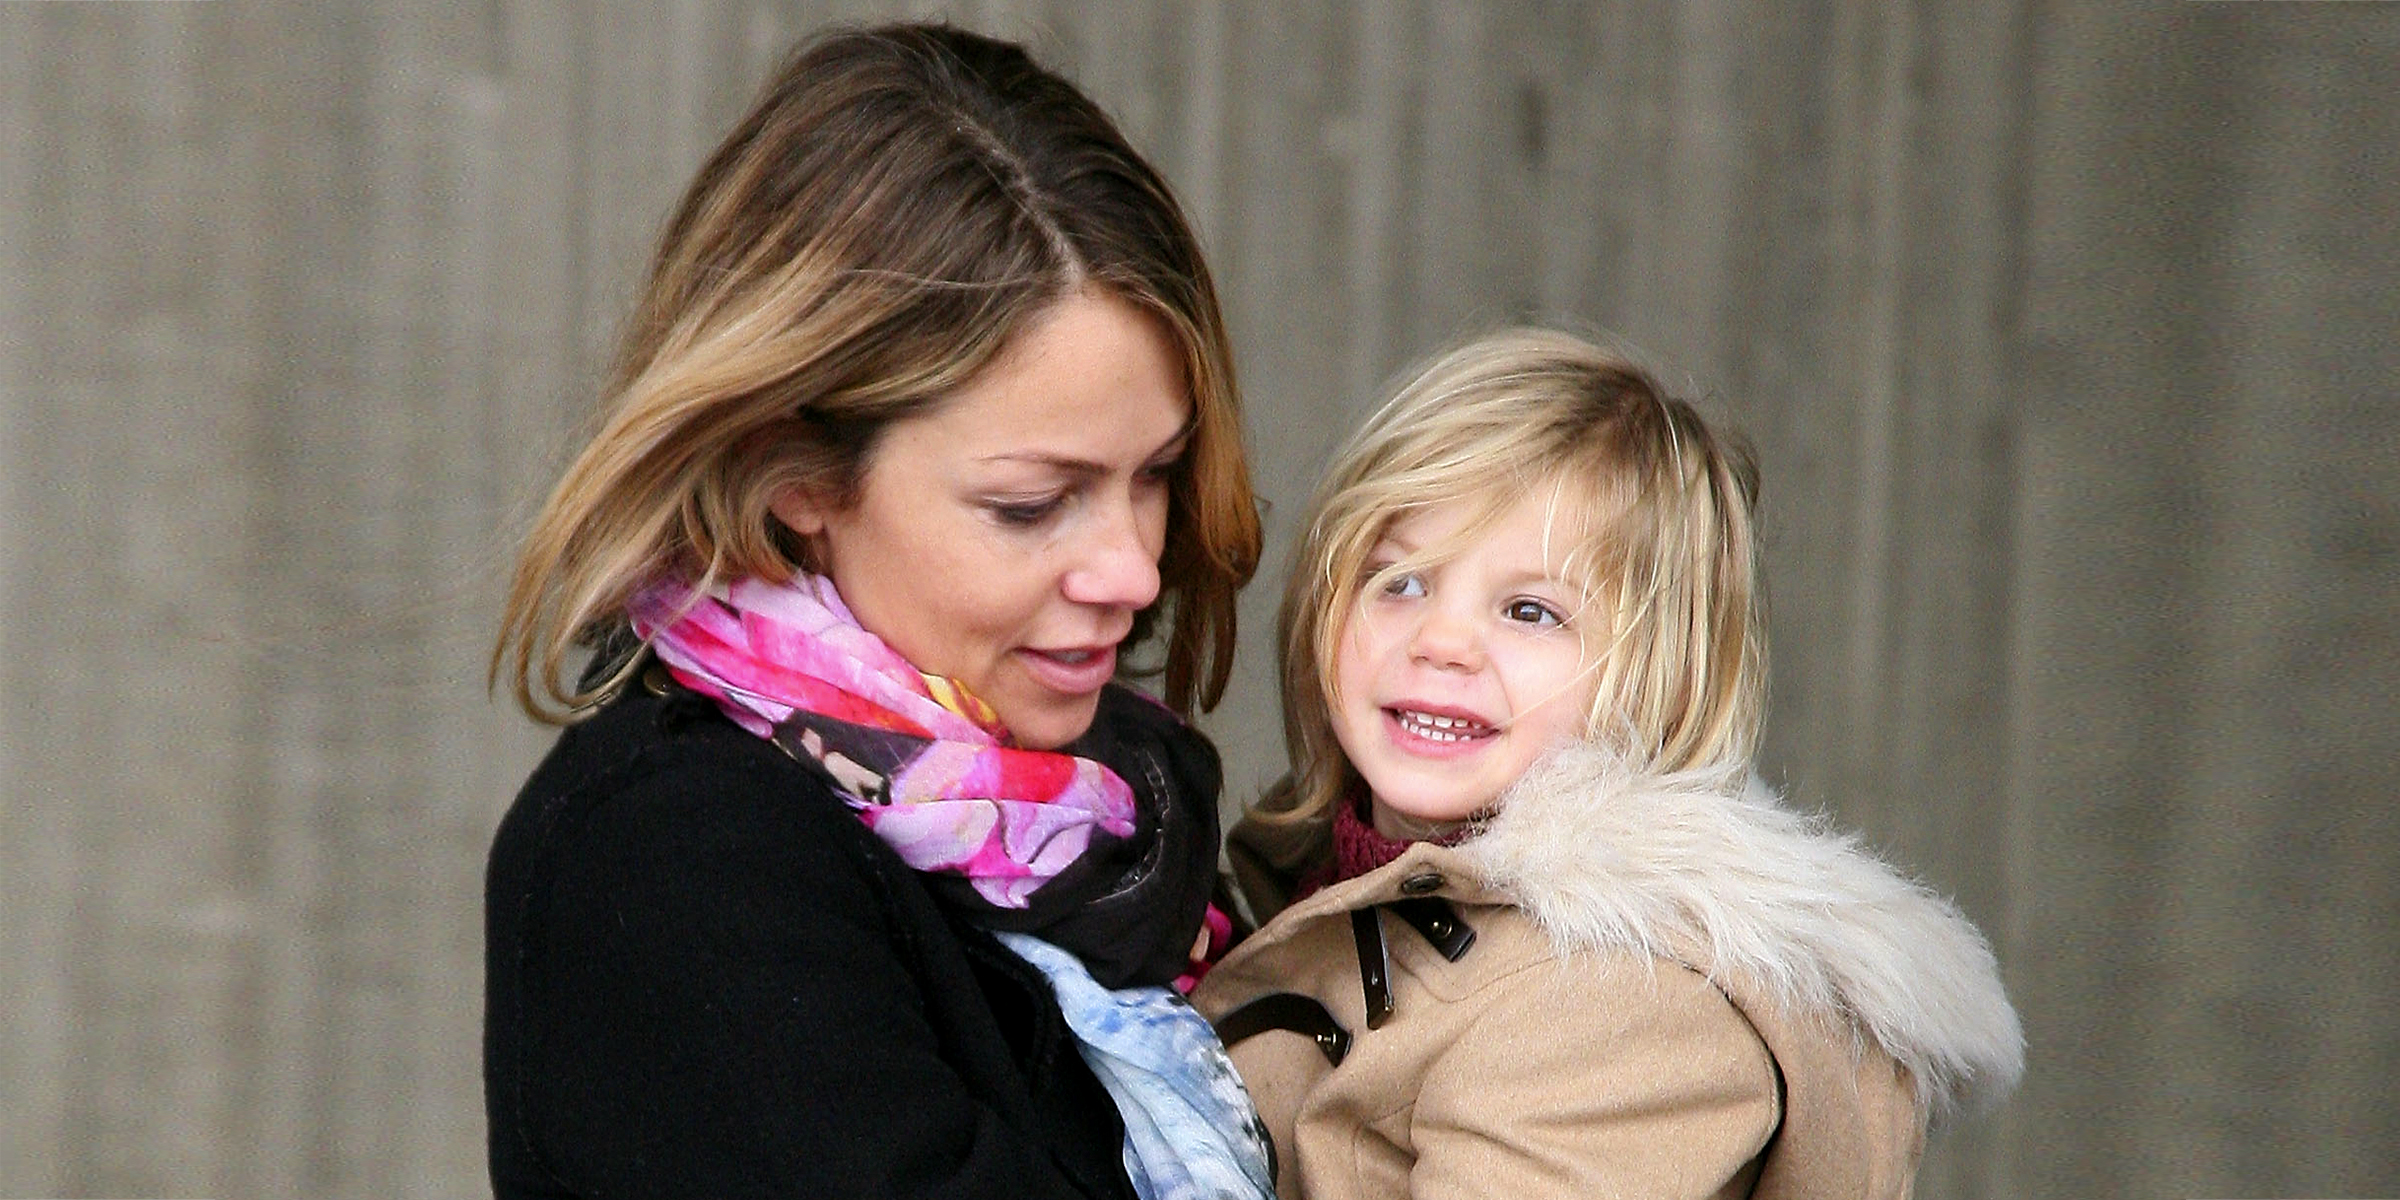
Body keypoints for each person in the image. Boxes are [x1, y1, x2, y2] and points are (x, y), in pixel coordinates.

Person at [484, 24, 1274, 1200]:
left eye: (1153, 474)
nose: (1132, 571)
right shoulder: (678, 860)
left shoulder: (1109, 820)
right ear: (793, 474)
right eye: (1032, 503)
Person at [1190, 329, 2024, 1199]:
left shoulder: (1624, 1001)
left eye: (1529, 611)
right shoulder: (1303, 884)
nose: (1440, 641)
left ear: (1663, 680)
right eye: (1399, 581)